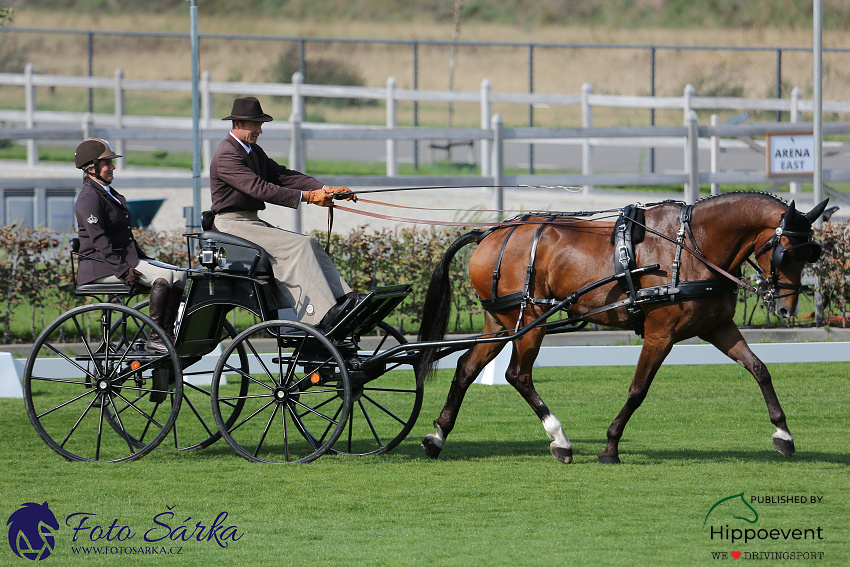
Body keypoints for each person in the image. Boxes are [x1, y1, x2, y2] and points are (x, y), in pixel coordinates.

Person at [209, 96, 359, 330]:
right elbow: (259, 188)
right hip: (231, 225)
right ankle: (321, 314)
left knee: (309, 242)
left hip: (250, 222)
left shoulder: (252, 151)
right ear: (237, 123)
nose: (260, 130)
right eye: (255, 125)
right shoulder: (227, 154)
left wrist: (324, 189)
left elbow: (282, 176)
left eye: (261, 125)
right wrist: (308, 197)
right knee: (296, 246)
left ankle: (345, 300)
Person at [73, 138, 186, 354]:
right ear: (91, 168)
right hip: (100, 266)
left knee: (180, 276)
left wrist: (143, 259)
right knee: (164, 279)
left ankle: (167, 333)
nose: (113, 167)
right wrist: (123, 270)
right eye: (107, 163)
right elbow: (100, 241)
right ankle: (155, 338)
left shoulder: (108, 193)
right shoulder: (89, 198)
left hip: (122, 259)